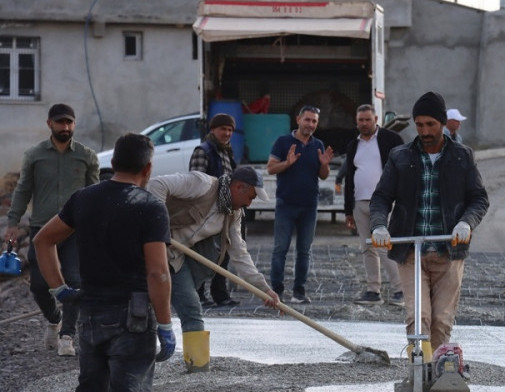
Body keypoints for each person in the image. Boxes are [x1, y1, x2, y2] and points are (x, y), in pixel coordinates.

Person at [32, 133, 176, 392]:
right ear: (148, 168)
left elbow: (43, 240)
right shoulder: (150, 207)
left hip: (90, 313)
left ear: (113, 163)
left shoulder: (83, 199)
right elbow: (157, 272)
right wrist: (165, 324)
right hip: (133, 316)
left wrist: (59, 288)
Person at [370, 91, 489, 351]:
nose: (424, 131)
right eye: (419, 125)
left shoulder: (462, 156)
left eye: (430, 125)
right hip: (411, 250)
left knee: (441, 320)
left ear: (443, 123)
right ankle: (418, 373)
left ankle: (436, 372)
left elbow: (479, 198)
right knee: (418, 317)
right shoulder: (400, 156)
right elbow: (380, 197)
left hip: (449, 250)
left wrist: (466, 223)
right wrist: (379, 225)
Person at [147, 167, 279, 371]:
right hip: (149, 249)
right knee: (141, 304)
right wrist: (156, 227)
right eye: (250, 197)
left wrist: (264, 289)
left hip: (175, 259)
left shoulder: (234, 213)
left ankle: (198, 367)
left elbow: (240, 254)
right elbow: (157, 185)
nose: (249, 204)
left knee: (191, 306)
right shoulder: (202, 184)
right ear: (238, 187)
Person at [4, 103, 99, 356]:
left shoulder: (86, 156)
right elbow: (23, 190)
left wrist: (96, 225)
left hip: (73, 229)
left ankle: (67, 336)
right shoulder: (35, 155)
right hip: (42, 229)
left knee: (74, 279)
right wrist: (13, 222)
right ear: (50, 124)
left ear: (74, 125)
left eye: (69, 122)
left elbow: (94, 193)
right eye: (60, 122)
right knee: (38, 284)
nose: (65, 127)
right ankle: (54, 319)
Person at [267, 105, 334, 304]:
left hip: (309, 206)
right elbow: (271, 168)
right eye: (307, 120)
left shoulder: (318, 144)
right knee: (280, 249)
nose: (310, 124)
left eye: (314, 121)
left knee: (304, 251)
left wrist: (324, 164)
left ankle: (299, 292)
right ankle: (276, 291)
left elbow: (323, 176)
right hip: (286, 205)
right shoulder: (283, 142)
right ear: (298, 119)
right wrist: (287, 163)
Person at [343, 104, 405, 306]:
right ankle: (373, 290)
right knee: (366, 247)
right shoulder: (354, 144)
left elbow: (403, 169)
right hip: (359, 202)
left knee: (385, 246)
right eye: (360, 120)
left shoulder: (391, 140)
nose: (364, 123)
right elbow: (350, 177)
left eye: (367, 120)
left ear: (376, 119)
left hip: (385, 202)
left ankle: (400, 291)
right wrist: (348, 210)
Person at [189, 113, 239, 308]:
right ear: (213, 130)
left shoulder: (226, 151)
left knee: (223, 254)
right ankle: (198, 295)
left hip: (224, 210)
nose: (226, 133)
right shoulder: (203, 151)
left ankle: (220, 294)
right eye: (222, 129)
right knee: (202, 254)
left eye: (230, 130)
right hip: (206, 212)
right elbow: (196, 183)